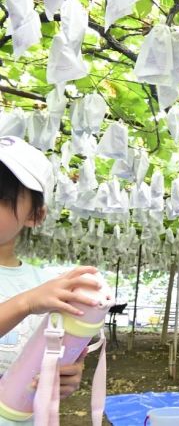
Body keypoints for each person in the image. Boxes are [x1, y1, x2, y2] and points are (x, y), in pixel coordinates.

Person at [0, 136, 100, 420]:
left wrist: (67, 375)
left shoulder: (45, 288)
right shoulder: (37, 295)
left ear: (35, 215)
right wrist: (26, 303)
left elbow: (54, 358)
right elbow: (29, 303)